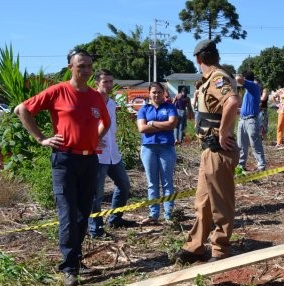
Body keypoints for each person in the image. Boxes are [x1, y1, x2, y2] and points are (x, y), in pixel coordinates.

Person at [14, 49, 110, 286]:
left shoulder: (95, 96)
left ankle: (74, 258)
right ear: (70, 67)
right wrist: (41, 138)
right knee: (67, 214)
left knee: (83, 214)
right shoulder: (58, 91)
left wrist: (94, 138)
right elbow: (22, 109)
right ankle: (69, 268)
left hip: (90, 161)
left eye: (88, 66)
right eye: (81, 66)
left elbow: (105, 123)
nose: (85, 70)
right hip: (65, 161)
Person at [173, 39, 240, 264]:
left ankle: (220, 249)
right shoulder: (210, 79)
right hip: (208, 150)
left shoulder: (218, 78)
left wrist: (223, 132)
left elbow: (232, 102)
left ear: (198, 59)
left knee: (221, 203)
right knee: (202, 203)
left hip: (218, 149)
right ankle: (195, 247)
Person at [88, 69, 136, 239]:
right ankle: (96, 230)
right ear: (96, 83)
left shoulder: (112, 103)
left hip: (113, 153)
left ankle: (115, 219)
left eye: (110, 81)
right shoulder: (89, 102)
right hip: (97, 155)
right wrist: (91, 138)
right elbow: (80, 125)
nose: (109, 85)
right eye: (105, 82)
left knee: (123, 185)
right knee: (96, 194)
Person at [136, 82, 178, 224]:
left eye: (159, 92)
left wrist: (152, 123)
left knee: (167, 182)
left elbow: (172, 124)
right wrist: (163, 126)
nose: (156, 94)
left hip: (166, 147)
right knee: (152, 183)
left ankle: (168, 214)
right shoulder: (144, 109)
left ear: (163, 93)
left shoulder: (170, 107)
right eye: (153, 92)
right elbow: (141, 129)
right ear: (149, 93)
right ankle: (153, 214)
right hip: (148, 148)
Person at [236, 71, 266, 171]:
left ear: (245, 78)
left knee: (255, 143)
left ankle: (261, 165)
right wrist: (239, 110)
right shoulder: (248, 92)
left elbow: (238, 79)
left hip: (251, 120)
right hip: (243, 120)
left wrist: (233, 76)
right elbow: (248, 106)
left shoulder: (253, 85)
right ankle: (241, 165)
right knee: (241, 145)